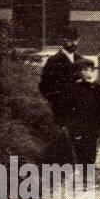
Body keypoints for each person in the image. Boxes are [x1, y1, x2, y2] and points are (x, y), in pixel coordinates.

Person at [39, 27, 83, 157]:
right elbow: (44, 86)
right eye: (70, 40)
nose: (74, 44)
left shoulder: (81, 60)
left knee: (79, 134)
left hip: (79, 106)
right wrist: (55, 99)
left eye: (76, 40)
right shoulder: (54, 61)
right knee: (63, 135)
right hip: (61, 106)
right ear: (63, 41)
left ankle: (78, 162)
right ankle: (63, 163)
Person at [66, 59, 100, 166]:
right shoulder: (74, 88)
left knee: (91, 148)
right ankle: (81, 172)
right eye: (81, 70)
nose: (84, 72)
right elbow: (69, 106)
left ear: (92, 71)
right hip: (78, 123)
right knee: (79, 148)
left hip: (92, 123)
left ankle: (89, 173)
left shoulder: (97, 87)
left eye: (87, 70)